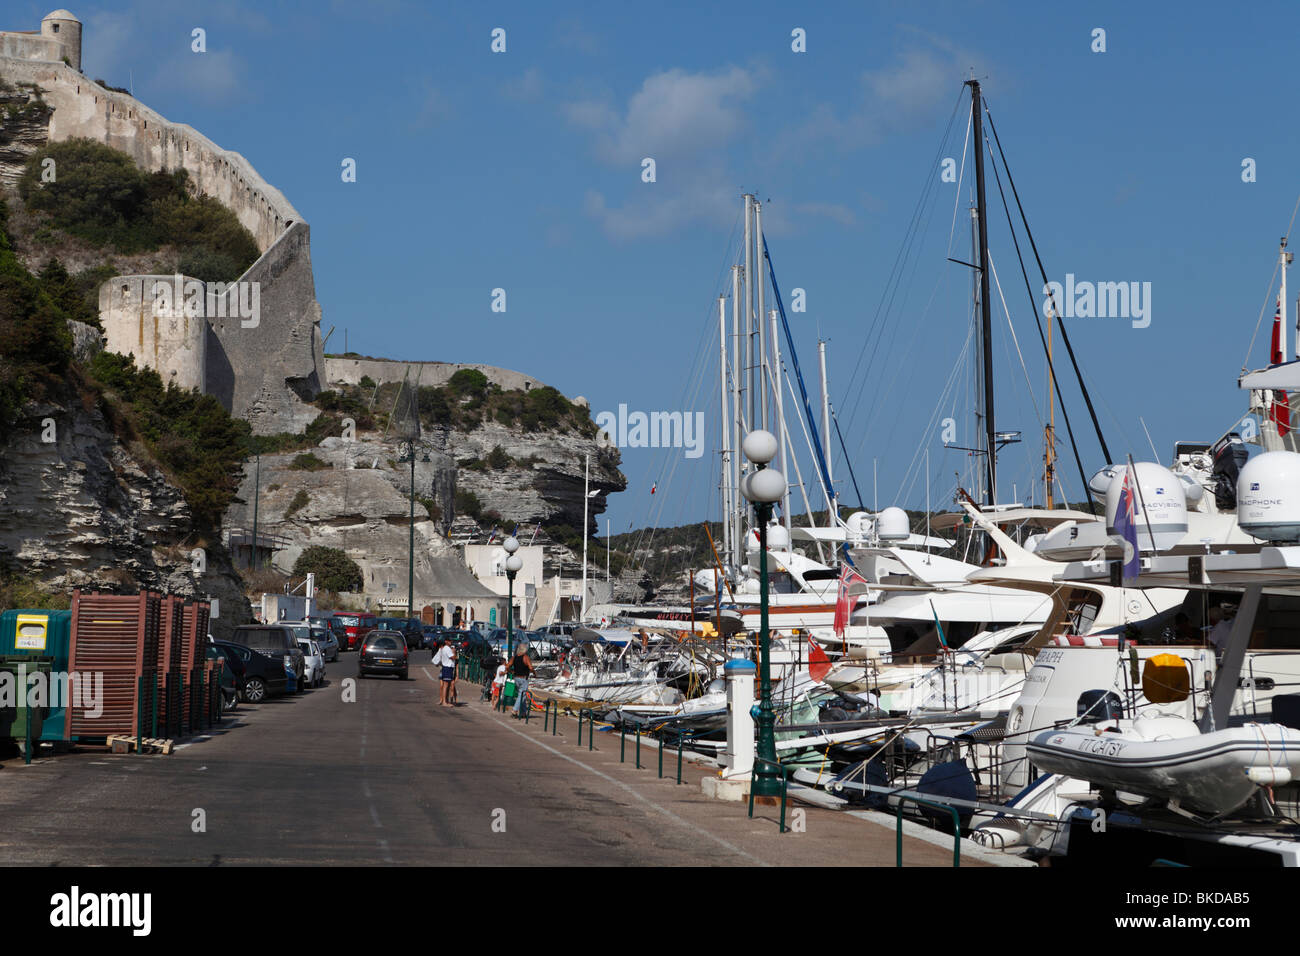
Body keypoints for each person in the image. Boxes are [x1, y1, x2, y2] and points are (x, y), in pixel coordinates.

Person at [510, 641, 534, 718]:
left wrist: (511, 671)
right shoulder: (525, 657)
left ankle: (523, 712)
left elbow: (507, 666)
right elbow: (530, 667)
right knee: (522, 695)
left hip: (516, 678)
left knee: (521, 694)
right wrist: (534, 673)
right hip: (524, 678)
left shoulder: (514, 657)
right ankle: (514, 710)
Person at [437, 636, 457, 707]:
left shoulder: (445, 648)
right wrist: (454, 652)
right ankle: (444, 701)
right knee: (446, 685)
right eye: (449, 641)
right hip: (447, 667)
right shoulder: (447, 649)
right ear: (446, 641)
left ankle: (446, 700)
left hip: (448, 667)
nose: (451, 642)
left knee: (447, 685)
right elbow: (453, 657)